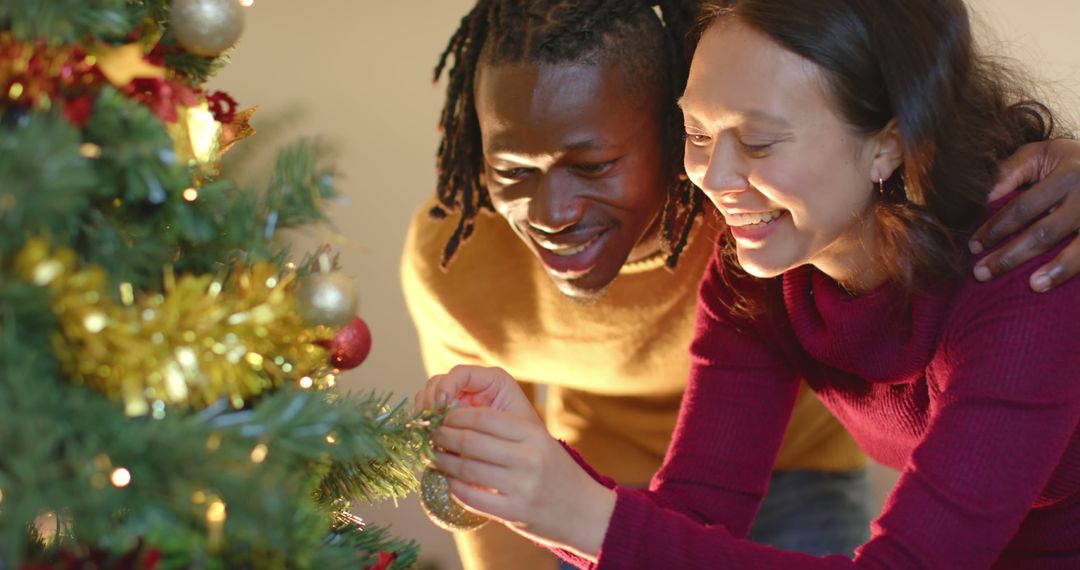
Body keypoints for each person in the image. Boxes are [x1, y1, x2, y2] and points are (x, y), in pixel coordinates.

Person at [403, 0, 1080, 568]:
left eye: (757, 144)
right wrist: (530, 471)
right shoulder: (756, 275)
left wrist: (578, 513)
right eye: (697, 132)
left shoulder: (1025, 268)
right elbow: (690, 518)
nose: (715, 180)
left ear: (889, 142)